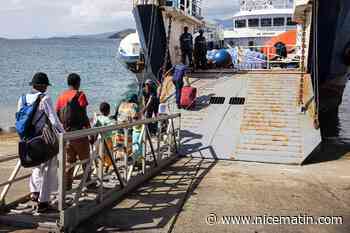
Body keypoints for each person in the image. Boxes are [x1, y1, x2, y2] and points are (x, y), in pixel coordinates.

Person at [17, 72, 65, 213]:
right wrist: (64, 135)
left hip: (27, 139)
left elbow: (19, 118)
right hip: (42, 139)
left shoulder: (22, 98)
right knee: (48, 168)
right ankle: (43, 202)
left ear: (33, 85)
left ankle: (34, 194)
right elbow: (54, 120)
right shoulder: (45, 99)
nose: (46, 88)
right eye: (45, 86)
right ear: (42, 86)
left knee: (36, 167)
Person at [56, 73, 92, 191]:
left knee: (69, 161)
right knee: (85, 159)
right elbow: (84, 115)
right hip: (79, 133)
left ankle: (67, 185)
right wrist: (90, 131)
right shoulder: (80, 95)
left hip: (66, 134)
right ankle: (88, 181)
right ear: (78, 82)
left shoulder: (61, 96)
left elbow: (57, 115)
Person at [114, 93, 140, 159]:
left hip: (119, 132)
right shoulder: (134, 105)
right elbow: (136, 119)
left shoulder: (121, 104)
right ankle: (131, 155)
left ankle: (119, 154)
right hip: (128, 133)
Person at [93, 102, 116, 172]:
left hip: (98, 139)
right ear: (108, 111)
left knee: (99, 155)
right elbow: (113, 126)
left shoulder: (98, 118)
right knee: (109, 154)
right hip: (107, 139)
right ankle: (106, 168)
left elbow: (94, 126)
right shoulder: (108, 120)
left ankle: (97, 170)